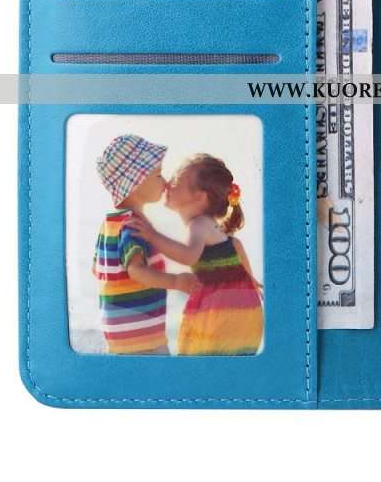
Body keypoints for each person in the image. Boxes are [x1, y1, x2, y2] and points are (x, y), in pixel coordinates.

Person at [126, 154, 263, 355]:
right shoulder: (210, 225)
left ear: (200, 197)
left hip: (223, 309)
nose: (168, 184)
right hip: (244, 307)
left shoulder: (199, 225)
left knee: (202, 359)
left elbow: (189, 256)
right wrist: (251, 281)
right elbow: (236, 245)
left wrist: (153, 236)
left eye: (176, 182)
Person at [93, 134, 199, 354]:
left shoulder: (109, 224)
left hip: (119, 338)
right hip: (142, 340)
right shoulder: (133, 225)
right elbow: (136, 271)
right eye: (158, 175)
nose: (165, 182)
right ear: (135, 182)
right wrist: (176, 281)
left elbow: (97, 269)